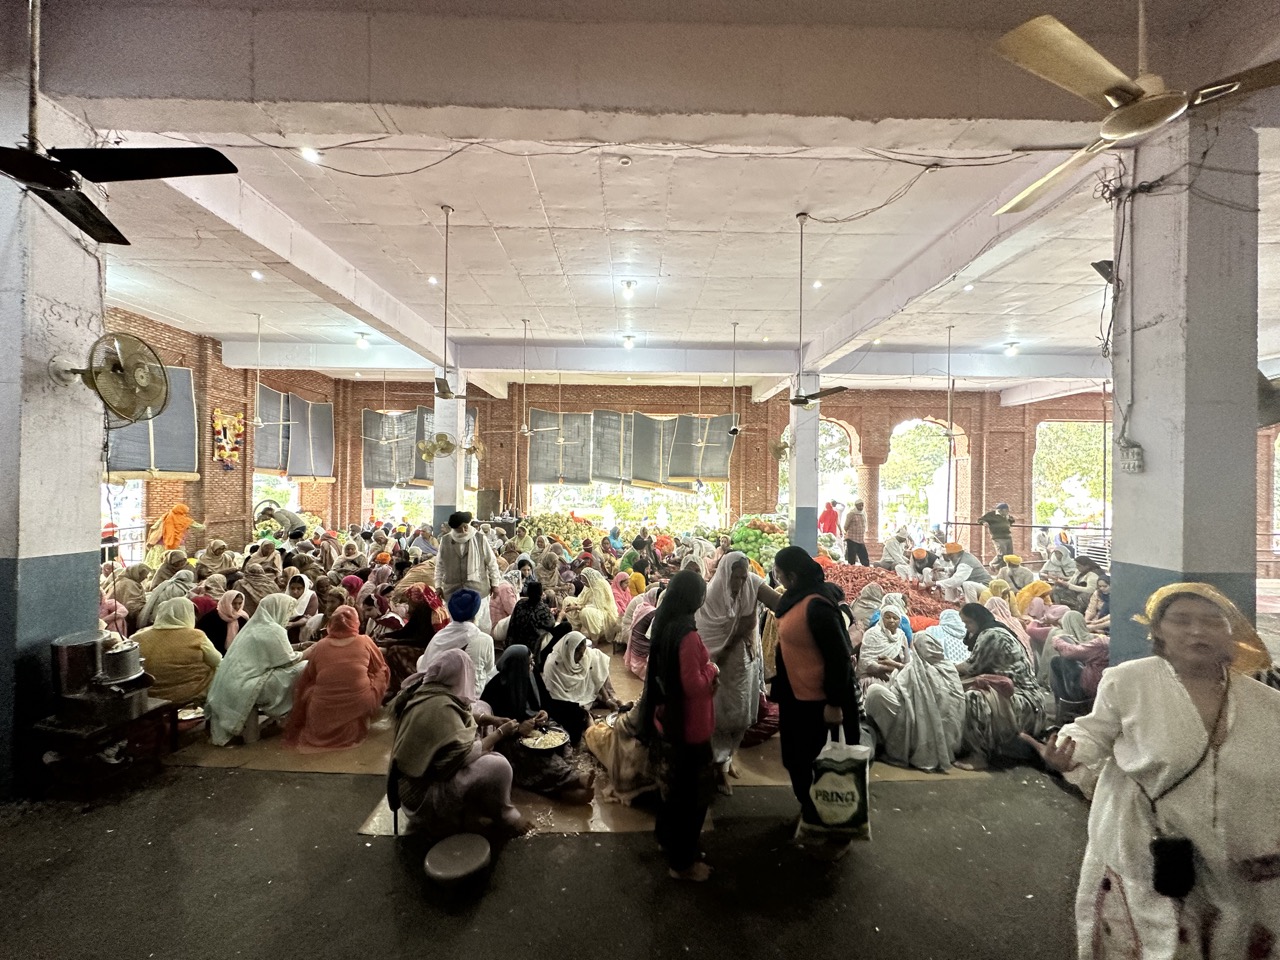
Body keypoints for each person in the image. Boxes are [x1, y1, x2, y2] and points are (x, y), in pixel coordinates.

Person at [1025, 583, 1278, 958]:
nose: (1196, 630)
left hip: (1236, 865)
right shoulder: (1129, 681)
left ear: (1232, 632)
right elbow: (1092, 732)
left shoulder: (1266, 704)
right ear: (1158, 630)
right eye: (1181, 620)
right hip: (1141, 851)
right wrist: (1069, 752)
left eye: (1212, 621)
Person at [770, 547, 861, 846]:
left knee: (823, 766)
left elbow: (838, 656)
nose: (777, 578)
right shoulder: (793, 599)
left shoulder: (818, 606)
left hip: (820, 704)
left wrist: (834, 703)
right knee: (795, 760)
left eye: (779, 574)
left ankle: (835, 829)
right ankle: (812, 813)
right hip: (796, 698)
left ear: (793, 576)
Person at [391, 649, 531, 838]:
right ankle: (504, 815)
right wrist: (500, 733)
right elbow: (460, 757)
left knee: (482, 707)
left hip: (422, 778)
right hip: (423, 796)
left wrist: (490, 719)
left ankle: (473, 804)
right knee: (498, 766)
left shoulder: (430, 691)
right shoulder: (439, 706)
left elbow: (460, 714)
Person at [637, 569, 718, 882]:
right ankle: (682, 863)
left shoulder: (666, 626)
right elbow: (693, 685)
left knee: (674, 789)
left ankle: (666, 840)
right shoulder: (687, 634)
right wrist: (711, 670)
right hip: (690, 724)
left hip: (670, 718)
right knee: (693, 796)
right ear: (693, 597)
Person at [694, 552, 779, 790]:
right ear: (725, 573)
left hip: (743, 660)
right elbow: (706, 634)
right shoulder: (711, 597)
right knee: (719, 715)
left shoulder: (752, 583)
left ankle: (727, 757)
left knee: (741, 713)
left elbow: (777, 603)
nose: (740, 583)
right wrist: (721, 652)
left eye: (744, 577)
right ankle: (716, 765)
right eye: (737, 577)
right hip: (720, 663)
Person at [480, 644, 595, 803]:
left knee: (561, 735)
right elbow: (490, 727)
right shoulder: (496, 688)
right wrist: (518, 728)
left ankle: (565, 786)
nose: (533, 666)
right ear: (518, 665)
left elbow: (543, 704)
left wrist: (543, 714)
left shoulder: (530, 677)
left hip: (535, 728)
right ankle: (574, 779)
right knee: (533, 757)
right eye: (529, 663)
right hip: (509, 738)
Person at [205, 594, 308, 745]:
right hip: (245, 685)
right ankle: (288, 715)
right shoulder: (272, 630)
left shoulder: (254, 626)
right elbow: (288, 660)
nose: (288, 616)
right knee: (303, 668)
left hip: (232, 684)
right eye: (287, 611)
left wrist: (301, 647)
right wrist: (314, 649)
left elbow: (274, 651)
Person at [284, 606, 389, 750]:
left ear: (331, 623)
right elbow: (380, 667)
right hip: (359, 702)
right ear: (355, 622)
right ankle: (363, 713)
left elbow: (310, 677)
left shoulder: (320, 645)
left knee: (312, 688)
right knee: (382, 671)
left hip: (320, 707)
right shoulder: (365, 641)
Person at [954, 603, 1044, 769]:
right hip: (1010, 690)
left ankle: (979, 755)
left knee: (974, 697)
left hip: (1025, 699)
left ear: (977, 619)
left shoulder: (992, 635)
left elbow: (972, 667)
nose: (966, 627)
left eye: (968, 623)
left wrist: (942, 667)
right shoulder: (992, 631)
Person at [863, 631, 965, 772]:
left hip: (914, 729)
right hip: (951, 740)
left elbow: (897, 692)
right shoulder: (949, 668)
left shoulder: (916, 669)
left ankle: (893, 745)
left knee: (874, 692)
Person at [132, 597, 221, 705]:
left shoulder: (137, 637)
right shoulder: (196, 636)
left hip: (150, 696)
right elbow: (217, 660)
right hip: (190, 694)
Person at [416, 588, 496, 699]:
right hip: (468, 697)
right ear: (477, 612)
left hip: (430, 692)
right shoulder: (484, 639)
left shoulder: (440, 636)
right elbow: (489, 668)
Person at [435, 511, 502, 602]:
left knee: (479, 616)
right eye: (459, 529)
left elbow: (491, 563)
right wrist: (438, 586)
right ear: (453, 529)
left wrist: (495, 584)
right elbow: (440, 565)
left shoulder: (480, 539)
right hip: (452, 592)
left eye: (465, 527)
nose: (463, 530)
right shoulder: (445, 541)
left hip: (478, 591)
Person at [857, 601, 909, 692]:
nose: (891, 620)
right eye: (887, 617)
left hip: (896, 680)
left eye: (895, 618)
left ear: (899, 621)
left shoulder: (901, 636)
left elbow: (908, 663)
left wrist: (896, 668)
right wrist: (894, 669)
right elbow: (866, 662)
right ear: (881, 618)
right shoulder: (872, 634)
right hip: (871, 679)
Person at [561, 567, 620, 645]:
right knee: (567, 600)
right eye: (582, 581)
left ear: (589, 579)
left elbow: (598, 606)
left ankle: (594, 640)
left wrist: (576, 607)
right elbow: (581, 599)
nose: (583, 583)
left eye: (584, 581)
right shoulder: (588, 584)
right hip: (587, 606)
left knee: (586, 612)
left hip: (602, 611)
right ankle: (575, 629)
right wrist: (574, 604)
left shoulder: (599, 585)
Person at [144, 504, 204, 570]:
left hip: (160, 545)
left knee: (156, 566)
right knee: (178, 565)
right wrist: (206, 523)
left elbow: (154, 527)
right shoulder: (185, 520)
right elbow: (200, 528)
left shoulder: (165, 517)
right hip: (177, 546)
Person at [196, 589, 249, 654]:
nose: (237, 607)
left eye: (240, 603)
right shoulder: (212, 616)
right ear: (227, 602)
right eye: (234, 603)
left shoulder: (242, 618)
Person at [103, 564, 152, 632]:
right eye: (143, 574)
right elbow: (131, 606)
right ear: (136, 574)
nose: (145, 577)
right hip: (122, 618)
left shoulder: (125, 581)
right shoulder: (129, 584)